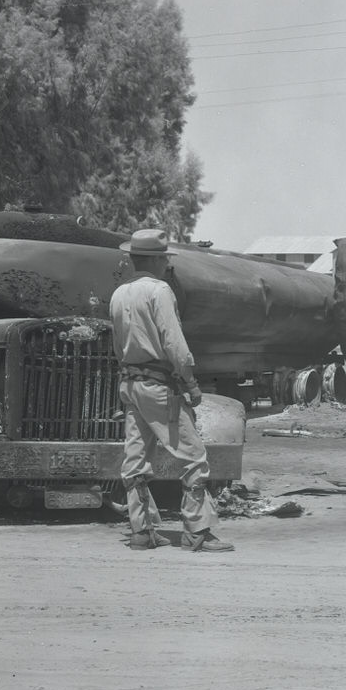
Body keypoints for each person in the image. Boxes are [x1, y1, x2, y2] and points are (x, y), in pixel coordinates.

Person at [110, 228, 234, 553]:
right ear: (154, 258)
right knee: (194, 457)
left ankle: (143, 532)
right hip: (158, 385)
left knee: (135, 459)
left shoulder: (119, 294)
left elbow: (116, 345)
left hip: (130, 384)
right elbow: (174, 344)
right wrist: (191, 384)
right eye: (164, 257)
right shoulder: (159, 291)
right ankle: (197, 532)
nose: (166, 263)